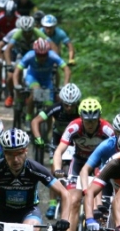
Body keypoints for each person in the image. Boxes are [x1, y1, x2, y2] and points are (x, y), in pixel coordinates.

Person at [52, 98, 115, 231]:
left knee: (96, 200)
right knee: (73, 201)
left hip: (99, 165)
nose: (90, 124)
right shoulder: (74, 126)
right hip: (79, 163)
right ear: (81, 118)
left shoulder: (107, 130)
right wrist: (58, 169)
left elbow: (116, 152)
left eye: (93, 120)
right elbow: (59, 151)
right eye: (87, 120)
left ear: (99, 118)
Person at [30, 83, 83, 218]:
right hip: (58, 141)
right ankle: (52, 203)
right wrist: (38, 138)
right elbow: (35, 121)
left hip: (76, 142)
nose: (69, 108)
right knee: (55, 169)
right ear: (62, 102)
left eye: (72, 105)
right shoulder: (56, 108)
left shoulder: (82, 111)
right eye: (66, 104)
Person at [12, 39, 71, 122]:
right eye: (39, 55)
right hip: (32, 77)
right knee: (36, 90)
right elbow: (17, 72)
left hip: (47, 80)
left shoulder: (52, 56)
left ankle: (49, 132)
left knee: (49, 107)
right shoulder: (29, 56)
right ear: (35, 52)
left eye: (44, 55)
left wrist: (66, 85)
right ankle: (28, 117)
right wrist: (16, 84)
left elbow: (66, 69)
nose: (42, 57)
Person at [0, 17, 48, 108]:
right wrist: (9, 64)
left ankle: (34, 95)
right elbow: (7, 49)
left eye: (29, 31)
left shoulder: (38, 33)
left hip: (35, 56)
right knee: (11, 76)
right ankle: (11, 95)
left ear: (33, 29)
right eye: (24, 32)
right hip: (20, 56)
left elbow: (51, 45)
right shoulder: (17, 34)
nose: (27, 34)